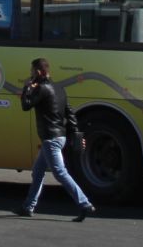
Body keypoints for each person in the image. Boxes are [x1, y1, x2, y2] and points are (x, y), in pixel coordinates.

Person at [15, 57, 94, 220]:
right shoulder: (59, 88)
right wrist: (76, 133)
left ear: (37, 72)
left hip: (51, 139)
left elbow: (25, 105)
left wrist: (26, 88)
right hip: (59, 137)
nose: (30, 75)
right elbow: (70, 113)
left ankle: (84, 203)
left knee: (60, 173)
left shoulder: (42, 89)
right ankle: (28, 206)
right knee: (37, 171)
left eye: (31, 72)